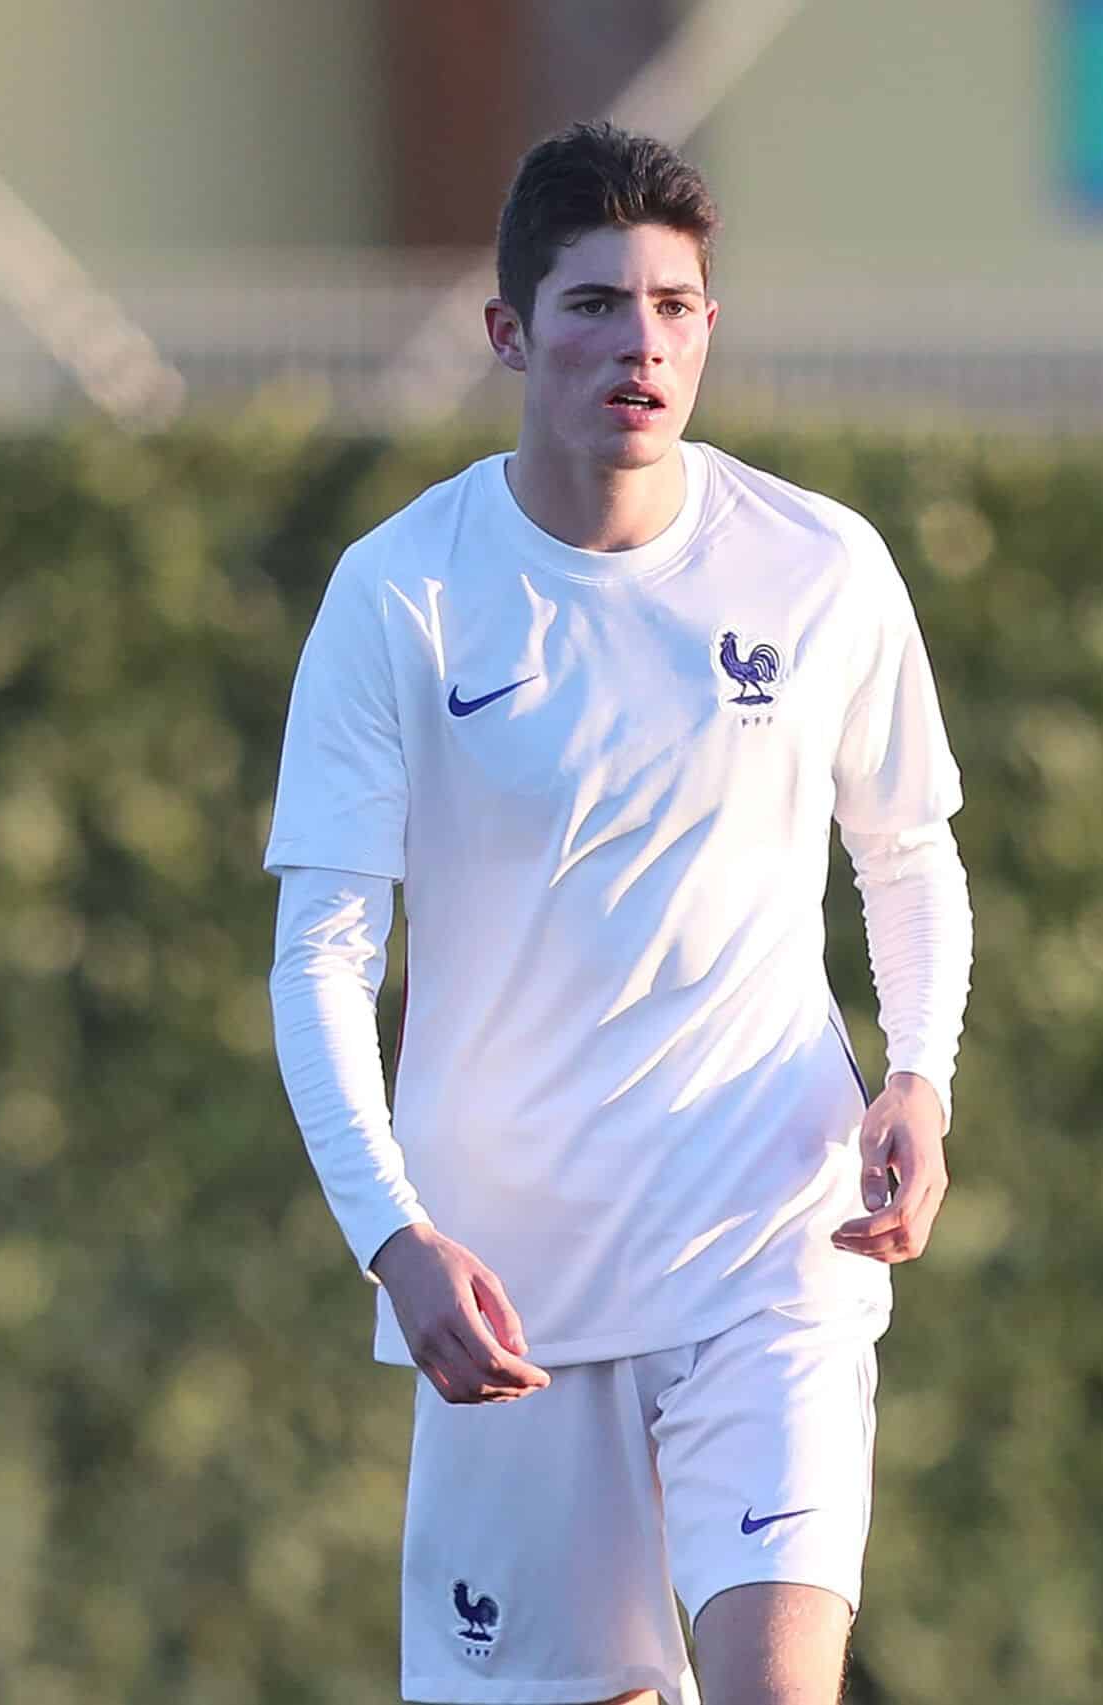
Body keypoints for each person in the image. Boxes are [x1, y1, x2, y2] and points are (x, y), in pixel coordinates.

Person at [265, 120, 972, 1705]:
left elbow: (908, 852)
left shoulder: (821, 568)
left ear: (709, 328)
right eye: (593, 305)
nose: (639, 345)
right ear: (510, 333)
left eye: (673, 306)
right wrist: (392, 1236)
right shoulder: (402, 592)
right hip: (516, 1293)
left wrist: (919, 1072)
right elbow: (321, 955)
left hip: (771, 1244)